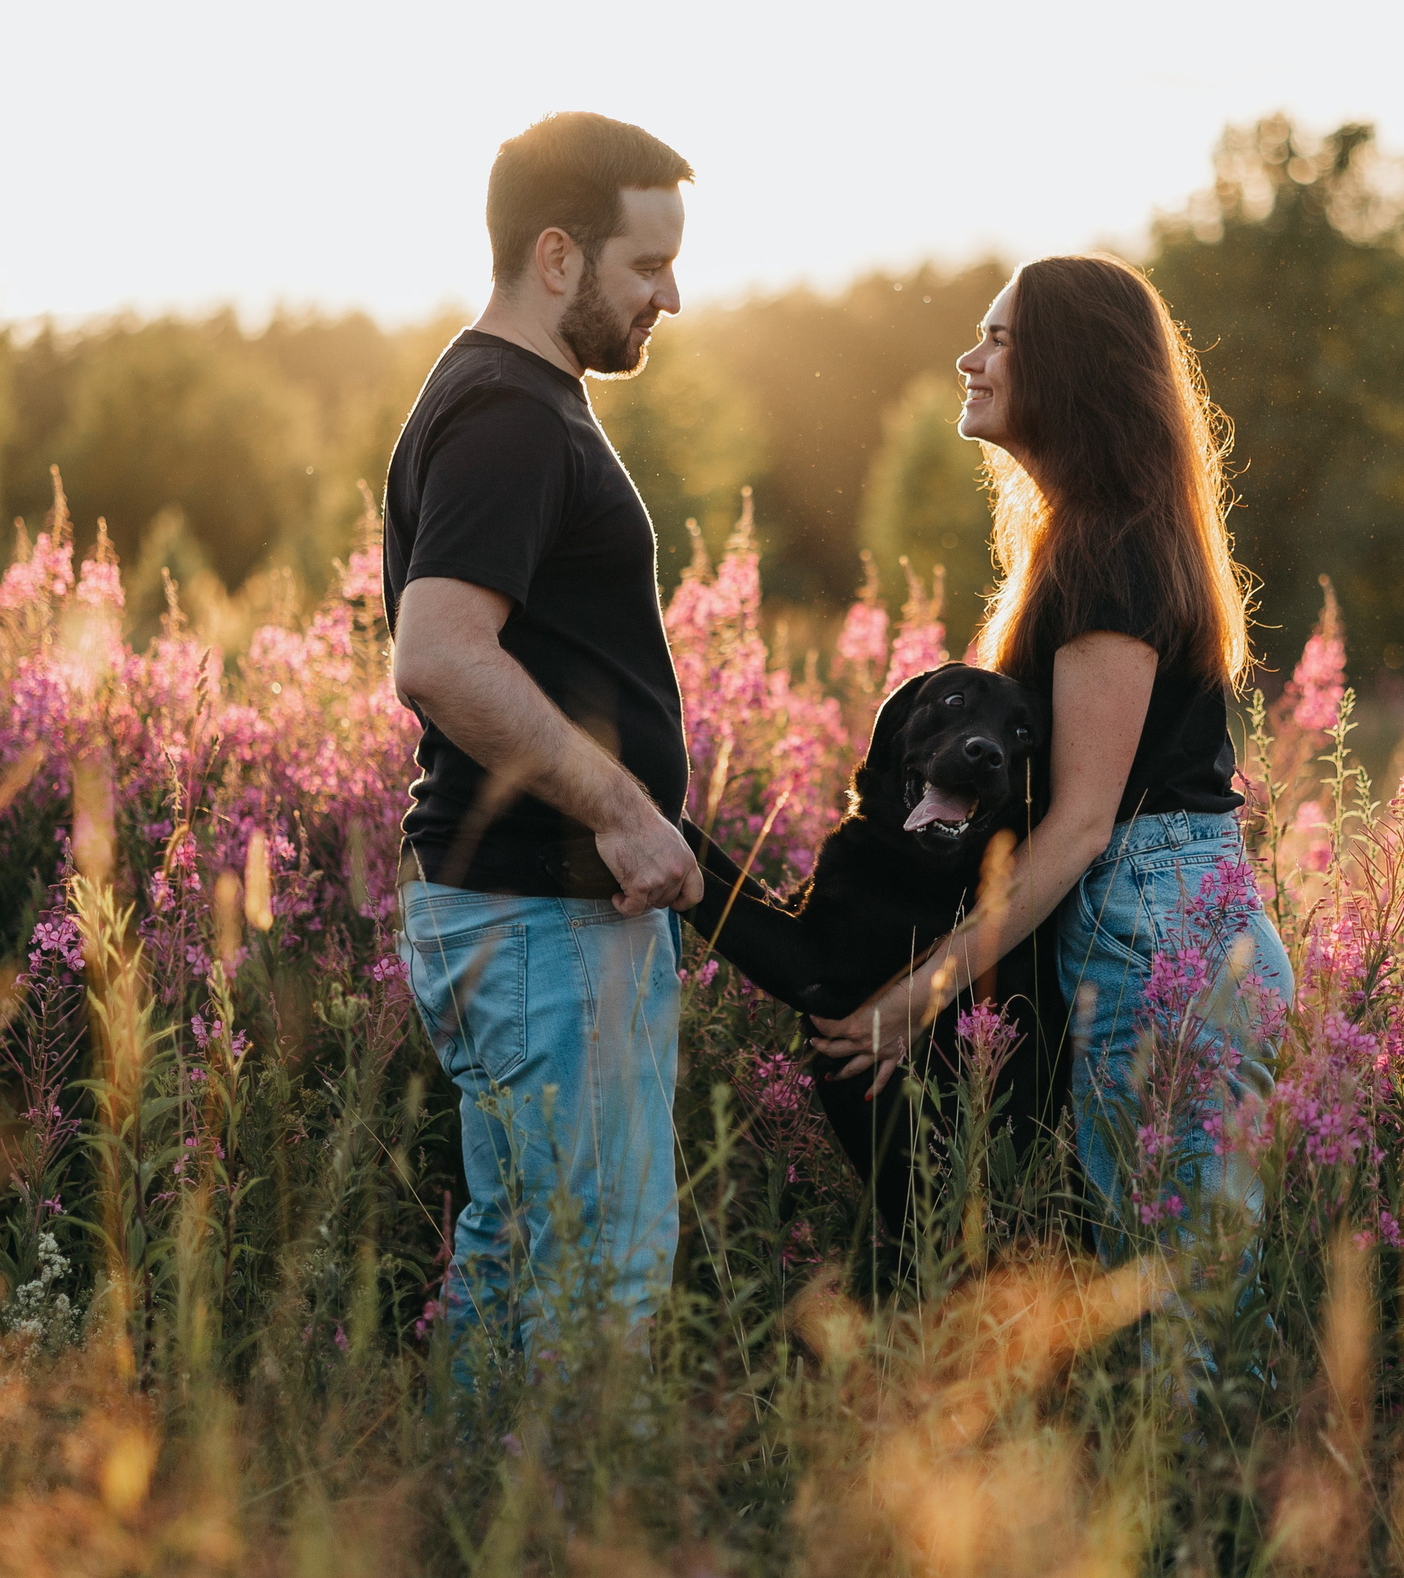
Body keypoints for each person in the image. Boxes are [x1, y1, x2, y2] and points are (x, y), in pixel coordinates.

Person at [808, 253, 1292, 1261]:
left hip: (1156, 931)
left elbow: (1077, 823)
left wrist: (917, 997)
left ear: (1070, 369)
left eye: (998, 339)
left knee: (1176, 1309)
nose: (967, 357)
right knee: (1165, 1289)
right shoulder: (1094, 537)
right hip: (1157, 920)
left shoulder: (1107, 552)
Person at [383, 112, 704, 1358]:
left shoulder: (510, 400)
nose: (670, 295)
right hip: (542, 917)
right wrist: (627, 812)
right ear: (558, 257)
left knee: (521, 1261)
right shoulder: (511, 415)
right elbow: (441, 654)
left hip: (528, 915)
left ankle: (474, 1517)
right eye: (646, 265)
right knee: (592, 1283)